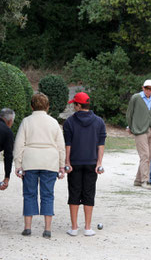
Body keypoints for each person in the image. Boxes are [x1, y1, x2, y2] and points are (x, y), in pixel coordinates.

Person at [13, 93, 65, 239]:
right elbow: (61, 146)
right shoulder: (54, 122)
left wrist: (18, 164)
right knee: (48, 194)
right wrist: (62, 166)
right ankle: (47, 229)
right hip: (50, 161)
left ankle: (27, 227)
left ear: (31, 106)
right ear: (48, 107)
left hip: (30, 161)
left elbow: (19, 144)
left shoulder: (26, 121)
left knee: (29, 193)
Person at [63, 92, 106, 237]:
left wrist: (67, 162)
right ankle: (88, 228)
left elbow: (68, 145)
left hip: (74, 162)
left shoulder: (69, 122)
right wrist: (99, 163)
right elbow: (101, 145)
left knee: (74, 193)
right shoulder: (99, 121)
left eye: (74, 104)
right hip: (91, 162)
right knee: (89, 193)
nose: (73, 106)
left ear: (79, 105)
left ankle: (74, 227)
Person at [126, 79, 151, 189]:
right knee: (144, 155)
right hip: (139, 130)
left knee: (149, 156)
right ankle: (145, 180)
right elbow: (130, 113)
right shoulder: (136, 97)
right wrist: (130, 126)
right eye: (146, 88)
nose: (148, 90)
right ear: (143, 87)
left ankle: (138, 180)